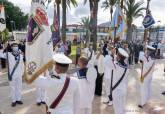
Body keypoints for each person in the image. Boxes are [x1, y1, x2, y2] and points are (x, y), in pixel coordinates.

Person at [0, 41, 24, 107]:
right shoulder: (8, 54)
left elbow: (22, 65)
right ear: (11, 47)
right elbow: (1, 54)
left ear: (18, 47)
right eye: (14, 46)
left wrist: (22, 73)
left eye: (16, 46)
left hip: (19, 74)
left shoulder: (21, 55)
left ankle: (18, 99)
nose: (15, 47)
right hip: (12, 75)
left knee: (19, 87)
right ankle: (14, 100)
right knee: (12, 88)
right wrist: (3, 47)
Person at [111, 48, 129, 114]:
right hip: (123, 89)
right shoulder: (127, 67)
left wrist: (111, 54)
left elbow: (107, 63)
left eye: (117, 55)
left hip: (117, 91)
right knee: (122, 107)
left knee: (117, 109)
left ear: (119, 56)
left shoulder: (116, 65)